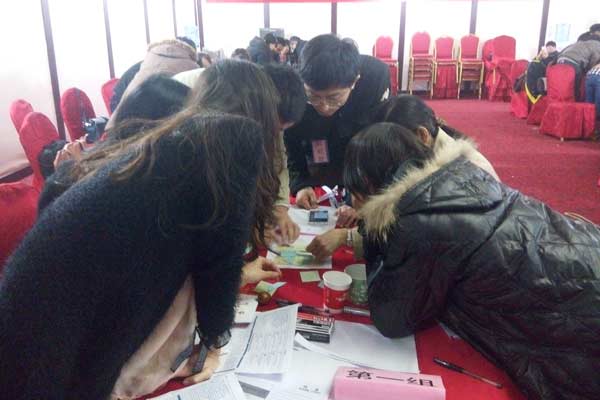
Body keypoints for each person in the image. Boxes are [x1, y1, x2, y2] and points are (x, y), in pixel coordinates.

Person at [0, 111, 279, 399]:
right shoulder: (235, 147)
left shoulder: (165, 155)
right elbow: (217, 264)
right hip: (41, 343)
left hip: (38, 318)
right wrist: (213, 342)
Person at [343, 122, 600, 400]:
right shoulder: (460, 172)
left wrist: (372, 221)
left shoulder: (416, 222)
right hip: (583, 253)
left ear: (368, 183)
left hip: (581, 323)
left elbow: (391, 319)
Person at [306, 95, 498, 260]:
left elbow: (415, 236)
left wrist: (349, 235)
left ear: (421, 135)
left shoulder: (457, 174)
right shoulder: (426, 158)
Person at [187, 60, 295, 244]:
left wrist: (279, 208)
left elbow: (276, 163)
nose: (269, 136)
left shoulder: (215, 136)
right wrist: (243, 236)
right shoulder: (192, 157)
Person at [284, 34, 390, 210]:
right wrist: (301, 184)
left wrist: (361, 191)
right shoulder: (294, 86)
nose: (324, 107)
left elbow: (377, 142)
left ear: (354, 82)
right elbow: (292, 139)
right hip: (318, 148)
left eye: (333, 98)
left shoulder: (375, 79)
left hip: (357, 142)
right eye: (314, 96)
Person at [107, 38, 199, 130]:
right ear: (192, 52)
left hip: (123, 113)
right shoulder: (191, 66)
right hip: (153, 118)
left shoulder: (147, 60)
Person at [262, 63, 308, 243]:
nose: (275, 134)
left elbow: (279, 162)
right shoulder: (221, 127)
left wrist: (280, 208)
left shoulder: (274, 122)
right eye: (272, 127)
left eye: (281, 129)